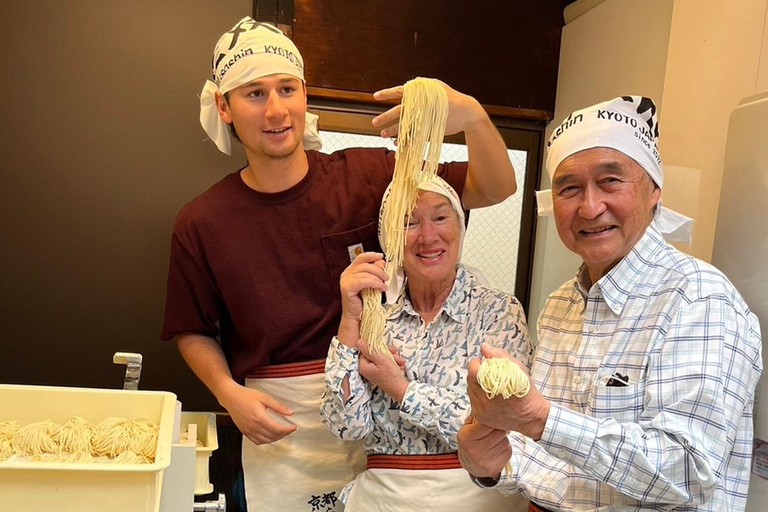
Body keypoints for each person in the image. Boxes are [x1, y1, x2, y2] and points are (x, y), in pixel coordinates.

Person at [160, 17, 518, 512]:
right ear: (224, 106)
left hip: (380, 409)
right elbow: (192, 326)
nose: (277, 109)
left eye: (288, 88)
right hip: (278, 422)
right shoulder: (203, 222)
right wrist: (228, 394)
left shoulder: (368, 176)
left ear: (305, 94)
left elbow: (493, 187)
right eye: (254, 94)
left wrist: (473, 117)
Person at [457, 96, 763, 512]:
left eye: (610, 181)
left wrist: (536, 418)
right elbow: (552, 464)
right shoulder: (561, 305)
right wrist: (489, 463)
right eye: (569, 188)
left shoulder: (698, 298)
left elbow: (690, 474)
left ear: (654, 190)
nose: (589, 206)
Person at [321, 175, 529, 511]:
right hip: (382, 499)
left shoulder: (498, 312)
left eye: (441, 217)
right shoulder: (379, 320)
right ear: (390, 238)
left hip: (474, 497)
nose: (428, 236)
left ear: (460, 227)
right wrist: (349, 318)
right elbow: (345, 426)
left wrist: (398, 387)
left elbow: (504, 424)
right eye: (409, 222)